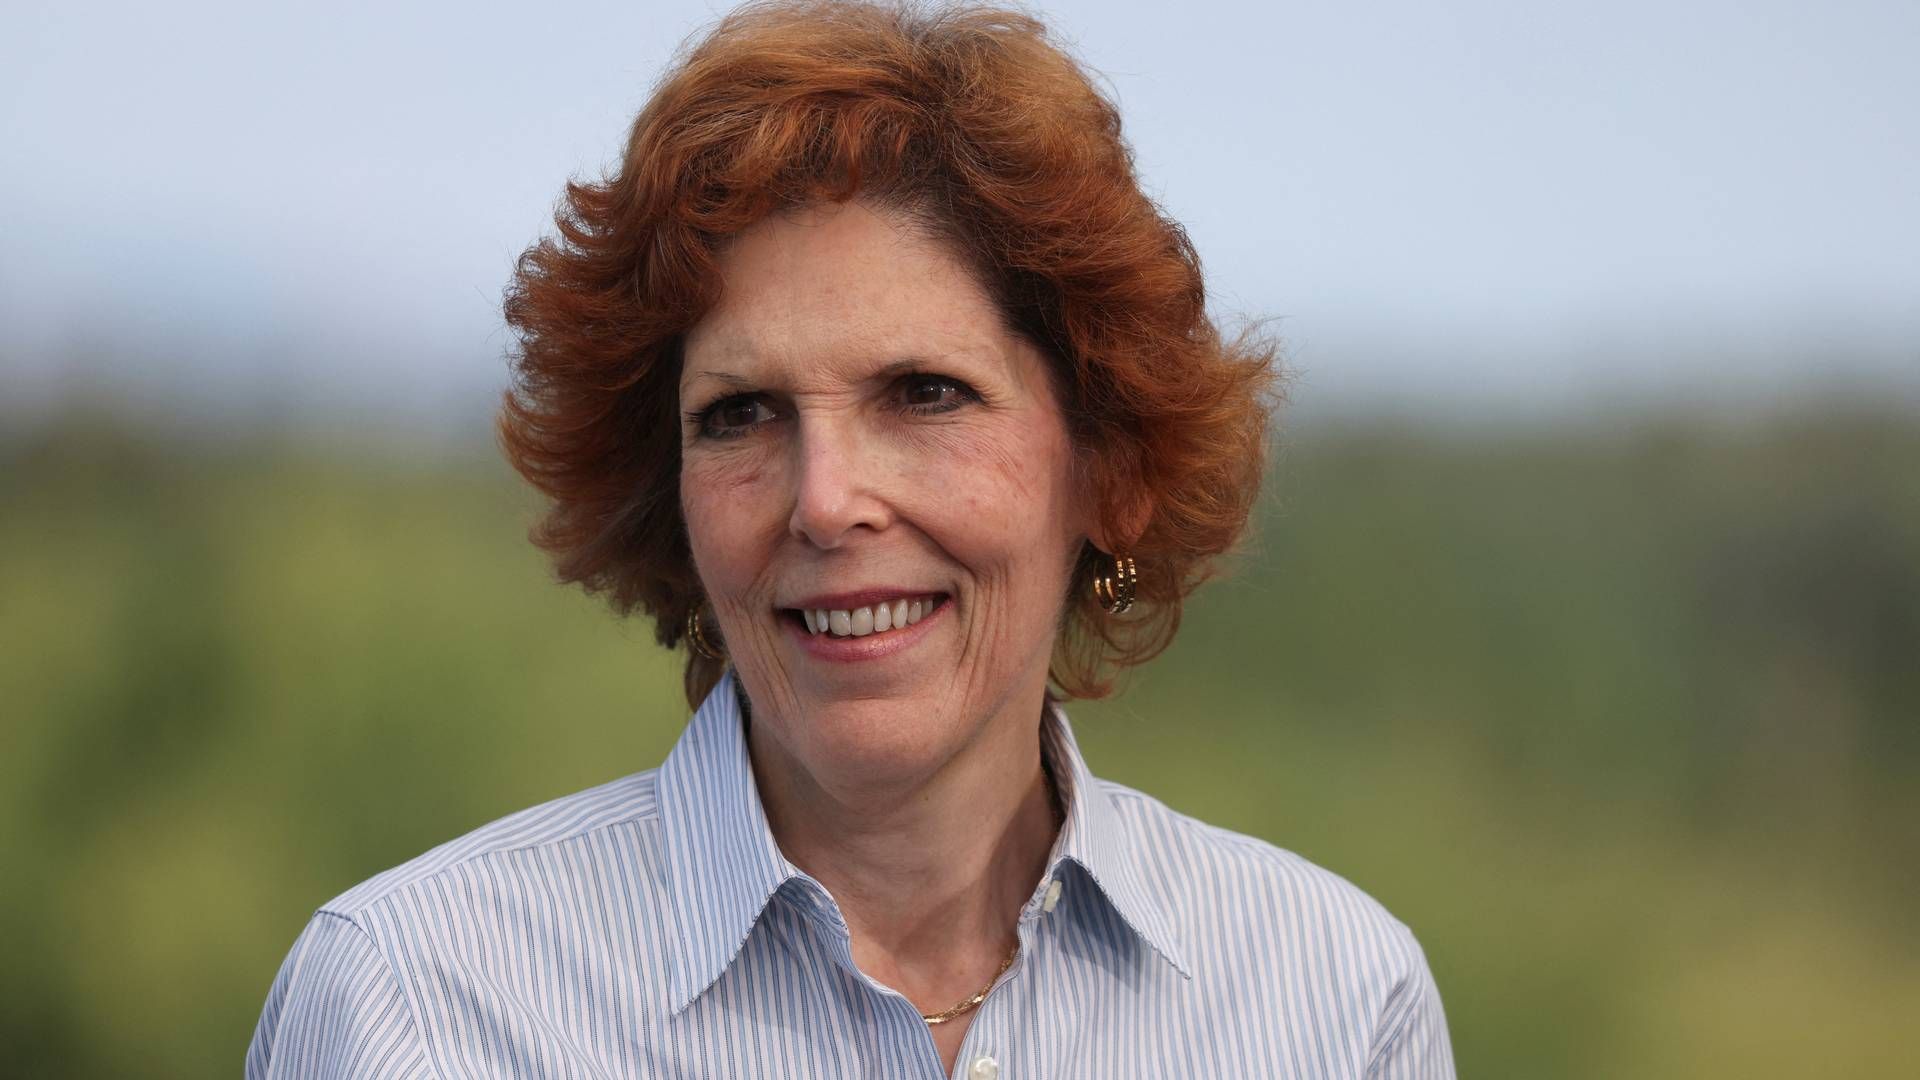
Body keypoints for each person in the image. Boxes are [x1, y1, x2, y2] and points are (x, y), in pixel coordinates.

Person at [246, 2, 1453, 1076]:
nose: (825, 502)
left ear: (1109, 463)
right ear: (664, 489)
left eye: (923, 394)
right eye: (740, 415)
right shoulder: (414, 1005)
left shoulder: (1333, 1006)